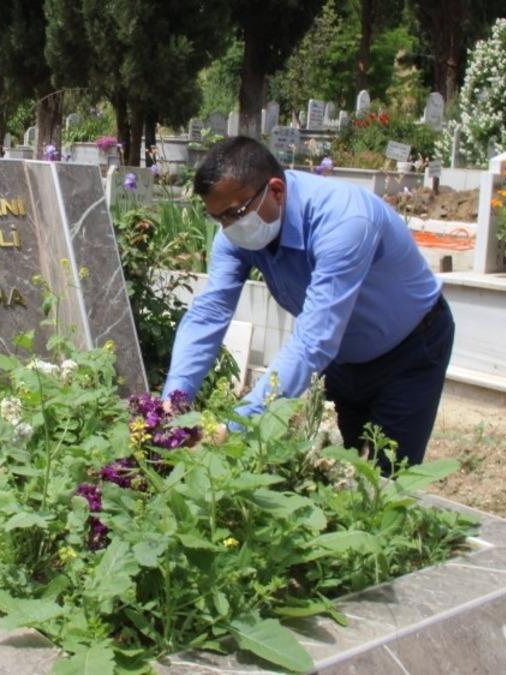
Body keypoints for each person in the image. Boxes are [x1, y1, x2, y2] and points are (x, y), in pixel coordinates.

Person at [162, 136, 453, 473]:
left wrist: (236, 425)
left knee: (386, 481)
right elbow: (210, 312)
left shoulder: (344, 221)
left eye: (234, 213)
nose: (228, 228)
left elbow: (314, 340)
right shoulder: (238, 231)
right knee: (348, 470)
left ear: (276, 191)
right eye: (218, 218)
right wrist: (174, 400)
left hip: (410, 351)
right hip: (344, 358)